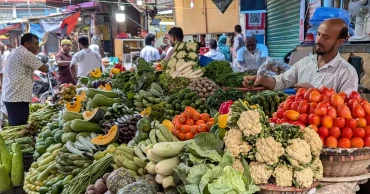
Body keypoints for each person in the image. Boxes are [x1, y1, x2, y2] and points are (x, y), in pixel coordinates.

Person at [245, 18, 358, 94]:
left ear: (340, 41)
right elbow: (282, 81)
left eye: (326, 37)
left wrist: (316, 94)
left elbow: (347, 110)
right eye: (318, 34)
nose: (319, 40)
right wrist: (260, 80)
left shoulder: (347, 73)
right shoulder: (304, 63)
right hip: (298, 126)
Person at [2, 33, 49, 126]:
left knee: (17, 126)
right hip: (17, 97)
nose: (37, 47)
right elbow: (44, 69)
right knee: (19, 127)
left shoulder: (15, 51)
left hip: (13, 96)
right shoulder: (25, 53)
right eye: (35, 44)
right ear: (27, 44)